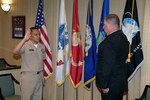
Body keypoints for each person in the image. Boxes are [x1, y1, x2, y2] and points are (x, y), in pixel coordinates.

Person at [96, 14, 129, 100]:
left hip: (109, 87)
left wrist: (104, 85)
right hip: (118, 85)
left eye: (105, 25)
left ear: (110, 25)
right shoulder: (123, 38)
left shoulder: (109, 42)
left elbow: (107, 65)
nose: (103, 27)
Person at [13, 27, 45, 100]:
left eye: (39, 34)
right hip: (28, 77)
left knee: (38, 98)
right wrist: (24, 39)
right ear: (30, 36)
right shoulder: (25, 45)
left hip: (39, 76)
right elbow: (15, 51)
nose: (38, 36)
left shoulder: (41, 46)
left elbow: (42, 59)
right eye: (35, 34)